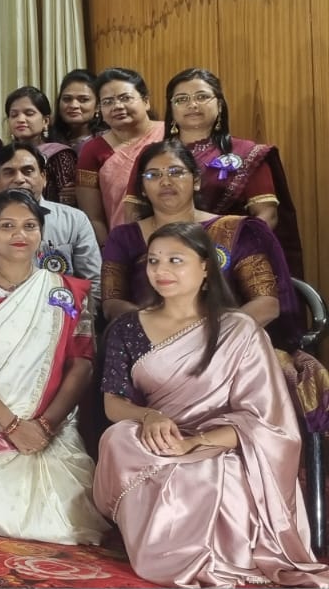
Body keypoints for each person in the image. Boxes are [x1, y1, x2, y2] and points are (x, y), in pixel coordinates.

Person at [94, 222, 329, 587]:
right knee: (117, 438)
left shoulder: (238, 330)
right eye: (153, 261)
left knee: (213, 472)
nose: (161, 270)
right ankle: (160, 545)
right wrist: (149, 416)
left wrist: (196, 442)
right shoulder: (128, 327)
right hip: (158, 437)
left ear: (205, 266)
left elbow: (267, 423)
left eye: (175, 260)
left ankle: (196, 557)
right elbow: (113, 403)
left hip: (222, 442)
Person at [0, 190, 109, 545]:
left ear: (41, 233)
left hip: (49, 422)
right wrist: (13, 426)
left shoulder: (66, 291)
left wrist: (45, 425)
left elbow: (81, 364)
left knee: (71, 511)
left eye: (29, 226)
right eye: (7, 226)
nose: (19, 234)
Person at [102, 140, 303, 348]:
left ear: (196, 180)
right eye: (153, 175)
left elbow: (266, 303)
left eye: (176, 172)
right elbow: (112, 303)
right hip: (150, 347)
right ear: (142, 188)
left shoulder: (236, 231)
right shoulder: (124, 237)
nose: (165, 181)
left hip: (231, 347)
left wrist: (208, 339)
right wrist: (158, 332)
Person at [164, 67, 303, 275]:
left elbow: (267, 215)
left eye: (202, 97)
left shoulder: (248, 154)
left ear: (219, 105)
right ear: (171, 109)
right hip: (163, 258)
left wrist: (226, 250)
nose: (192, 104)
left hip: (229, 261)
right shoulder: (153, 156)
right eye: (181, 99)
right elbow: (135, 214)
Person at [0, 143, 102, 301]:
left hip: (63, 311)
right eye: (9, 172)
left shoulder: (74, 220)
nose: (19, 179)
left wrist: (75, 314)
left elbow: (93, 284)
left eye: (28, 171)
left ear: (44, 177)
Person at [77, 67, 163, 243]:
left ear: (146, 101)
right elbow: (93, 218)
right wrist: (109, 251)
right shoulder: (92, 150)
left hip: (179, 238)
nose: (117, 106)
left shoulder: (170, 133)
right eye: (108, 102)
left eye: (125, 98)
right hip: (124, 245)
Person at [5, 86, 78, 207]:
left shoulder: (59, 155)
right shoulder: (4, 157)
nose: (20, 119)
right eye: (14, 115)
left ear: (45, 121)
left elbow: (68, 200)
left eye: (29, 113)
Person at [54, 69, 102, 150]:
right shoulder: (49, 141)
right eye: (67, 99)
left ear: (98, 106)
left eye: (83, 100)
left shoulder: (106, 143)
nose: (74, 105)